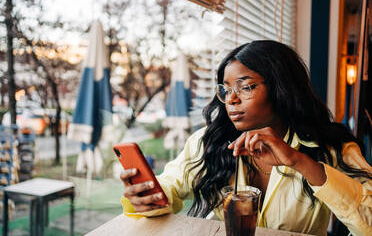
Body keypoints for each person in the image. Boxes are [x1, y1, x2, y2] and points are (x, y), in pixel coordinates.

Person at [120, 40, 372, 236]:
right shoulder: (208, 142)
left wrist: (299, 161)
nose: (232, 99)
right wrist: (146, 196)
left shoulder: (332, 148)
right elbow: (170, 186)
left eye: (246, 87)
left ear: (281, 87)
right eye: (226, 89)